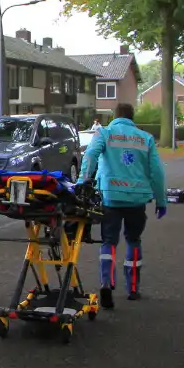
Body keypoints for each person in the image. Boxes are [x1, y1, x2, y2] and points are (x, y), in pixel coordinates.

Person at [77, 102, 167, 308]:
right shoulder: (146, 138)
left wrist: (83, 180)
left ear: (114, 117)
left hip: (111, 196)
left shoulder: (105, 133)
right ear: (132, 117)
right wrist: (161, 200)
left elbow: (90, 155)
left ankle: (106, 282)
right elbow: (157, 172)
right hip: (137, 199)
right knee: (133, 240)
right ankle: (133, 288)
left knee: (109, 241)